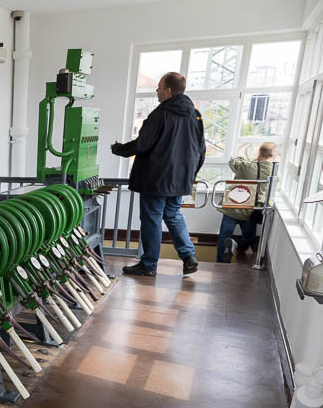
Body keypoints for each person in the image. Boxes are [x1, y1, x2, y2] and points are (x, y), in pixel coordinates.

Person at [111, 72, 205, 277]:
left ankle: (149, 264)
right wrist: (189, 175)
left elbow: (142, 144)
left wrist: (118, 149)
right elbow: (201, 149)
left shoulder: (160, 114)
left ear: (168, 91)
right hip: (179, 179)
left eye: (159, 87)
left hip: (155, 179)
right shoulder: (194, 115)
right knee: (173, 215)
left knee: (152, 218)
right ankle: (189, 256)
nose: (157, 91)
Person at [216, 142, 276, 263]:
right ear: (273, 156)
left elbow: (232, 162)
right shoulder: (272, 171)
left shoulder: (246, 166)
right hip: (251, 210)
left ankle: (220, 265)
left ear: (259, 152)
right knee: (249, 239)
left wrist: (249, 158)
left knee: (223, 238)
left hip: (232, 207)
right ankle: (236, 245)